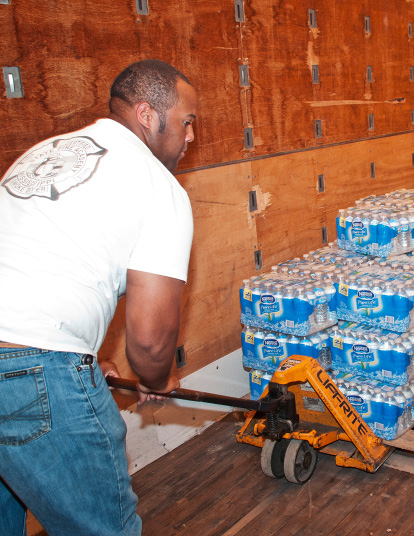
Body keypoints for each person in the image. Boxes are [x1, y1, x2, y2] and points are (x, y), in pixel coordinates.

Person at [0, 59, 197, 535]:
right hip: (32, 374)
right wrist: (159, 376)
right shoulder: (159, 187)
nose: (191, 137)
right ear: (149, 116)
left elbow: (40, 272)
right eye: (188, 122)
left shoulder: (42, 152)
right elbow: (150, 344)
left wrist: (85, 361)